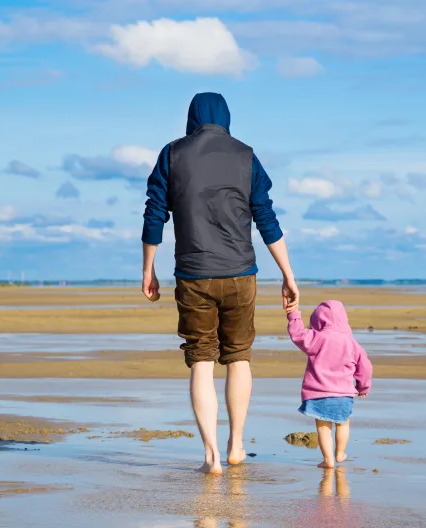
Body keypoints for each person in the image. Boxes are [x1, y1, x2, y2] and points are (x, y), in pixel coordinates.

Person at [141, 92, 299, 474]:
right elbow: (266, 218)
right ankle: (236, 445)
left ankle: (211, 456)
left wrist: (148, 269)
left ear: (192, 118)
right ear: (225, 118)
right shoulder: (246, 155)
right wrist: (288, 275)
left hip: (193, 275)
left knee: (201, 361)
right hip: (241, 274)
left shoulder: (172, 154)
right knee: (239, 358)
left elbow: (154, 213)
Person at [286, 300, 373, 468]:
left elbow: (298, 334)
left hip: (319, 393)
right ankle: (340, 452)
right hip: (344, 394)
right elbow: (365, 367)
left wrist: (293, 315)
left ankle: (328, 460)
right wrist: (363, 386)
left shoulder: (317, 338)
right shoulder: (352, 343)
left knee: (323, 427)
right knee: (343, 423)